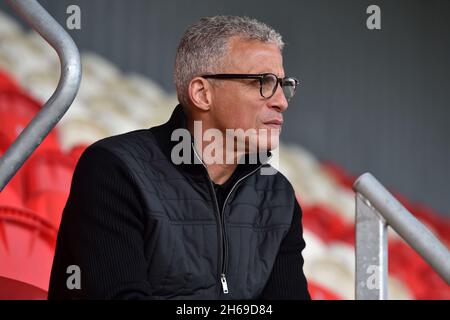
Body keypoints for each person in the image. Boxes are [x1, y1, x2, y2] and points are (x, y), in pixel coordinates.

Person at [48, 15, 310, 300]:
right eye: (263, 82)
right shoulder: (114, 169)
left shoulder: (277, 195)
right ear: (202, 93)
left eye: (284, 84)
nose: (281, 101)